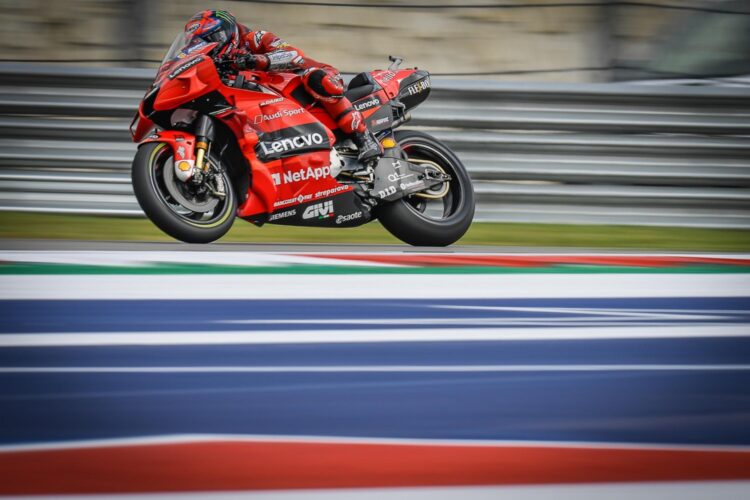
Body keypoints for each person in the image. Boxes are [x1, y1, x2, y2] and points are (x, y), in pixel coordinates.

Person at [184, 9, 383, 163]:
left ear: (226, 34)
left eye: (211, 39)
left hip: (308, 79)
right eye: (200, 43)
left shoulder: (254, 39)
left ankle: (363, 137)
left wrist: (256, 60)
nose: (209, 47)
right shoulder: (222, 68)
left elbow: (293, 55)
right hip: (277, 106)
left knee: (315, 77)